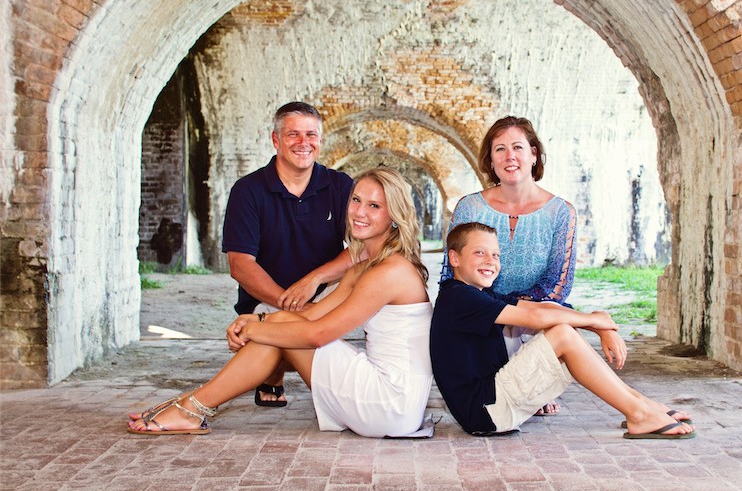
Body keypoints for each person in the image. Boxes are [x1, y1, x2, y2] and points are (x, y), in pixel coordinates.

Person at [128, 168, 433, 438]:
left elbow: (318, 335)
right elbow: (314, 313)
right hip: (386, 395)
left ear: (394, 216)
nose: (359, 212)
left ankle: (191, 406)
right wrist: (257, 321)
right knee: (275, 320)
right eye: (356, 200)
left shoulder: (390, 271)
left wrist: (253, 330)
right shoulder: (365, 266)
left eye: (374, 206)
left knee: (279, 334)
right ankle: (192, 404)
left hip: (390, 403)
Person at [431, 222, 694, 440]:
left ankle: (643, 406)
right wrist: (595, 321)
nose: (491, 261)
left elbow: (541, 307)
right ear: (454, 258)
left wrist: (595, 323)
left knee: (564, 328)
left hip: (491, 405)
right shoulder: (459, 298)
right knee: (563, 335)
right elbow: (535, 316)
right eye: (479, 253)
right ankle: (638, 413)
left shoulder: (478, 293)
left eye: (496, 255)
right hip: (485, 411)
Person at [440, 115, 576, 415]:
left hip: (533, 317)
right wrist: (496, 310)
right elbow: (454, 273)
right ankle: (524, 387)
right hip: (485, 316)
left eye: (517, 147)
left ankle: (535, 383)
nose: (509, 156)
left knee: (563, 317)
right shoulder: (470, 207)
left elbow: (558, 283)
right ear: (490, 159)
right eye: (499, 149)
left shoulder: (561, 212)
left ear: (533, 155)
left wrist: (520, 312)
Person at [222, 102, 354, 406]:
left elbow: (366, 248)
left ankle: (285, 374)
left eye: (311, 134)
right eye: (293, 134)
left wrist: (315, 280)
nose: (303, 142)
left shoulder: (340, 186)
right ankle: (277, 375)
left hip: (324, 295)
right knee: (278, 326)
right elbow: (240, 265)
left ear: (320, 141)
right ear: (276, 140)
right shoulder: (248, 190)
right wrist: (289, 305)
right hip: (266, 297)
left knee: (287, 330)